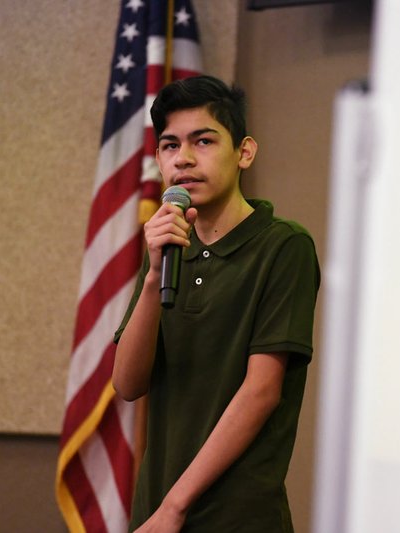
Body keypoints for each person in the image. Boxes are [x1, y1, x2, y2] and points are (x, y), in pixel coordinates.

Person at [112, 75, 320, 532]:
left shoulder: (283, 246)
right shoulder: (167, 249)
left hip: (235, 516)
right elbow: (127, 383)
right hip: (158, 511)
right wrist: (151, 279)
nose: (183, 158)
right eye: (169, 146)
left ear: (244, 151)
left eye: (203, 141)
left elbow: (262, 391)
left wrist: (175, 507)